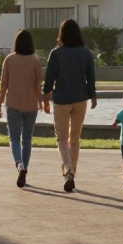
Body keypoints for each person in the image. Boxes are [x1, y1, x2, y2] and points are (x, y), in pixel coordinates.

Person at [42, 19, 96, 193]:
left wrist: (45, 98)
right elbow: (91, 77)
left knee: (62, 139)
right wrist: (93, 96)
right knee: (75, 139)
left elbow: (50, 78)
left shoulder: (56, 53)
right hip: (81, 99)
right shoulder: (86, 53)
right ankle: (73, 172)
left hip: (62, 100)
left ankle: (67, 170)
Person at [0, 29, 45, 188]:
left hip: (13, 104)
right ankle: (26, 167)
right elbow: (38, 85)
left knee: (14, 138)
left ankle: (19, 165)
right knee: (28, 139)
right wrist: (42, 102)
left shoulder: (9, 59)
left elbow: (3, 85)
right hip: (31, 105)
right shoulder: (35, 60)